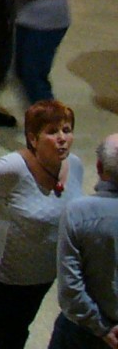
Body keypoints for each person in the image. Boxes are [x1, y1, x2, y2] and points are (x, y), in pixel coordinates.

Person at [0, 100, 84, 349]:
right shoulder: (13, 169)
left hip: (42, 275)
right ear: (33, 138)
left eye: (66, 130)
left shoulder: (75, 165)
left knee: (17, 333)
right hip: (3, 277)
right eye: (52, 132)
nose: (62, 138)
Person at [51, 133, 118, 349]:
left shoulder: (78, 213)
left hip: (81, 333)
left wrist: (103, 329)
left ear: (98, 167)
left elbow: (70, 291)